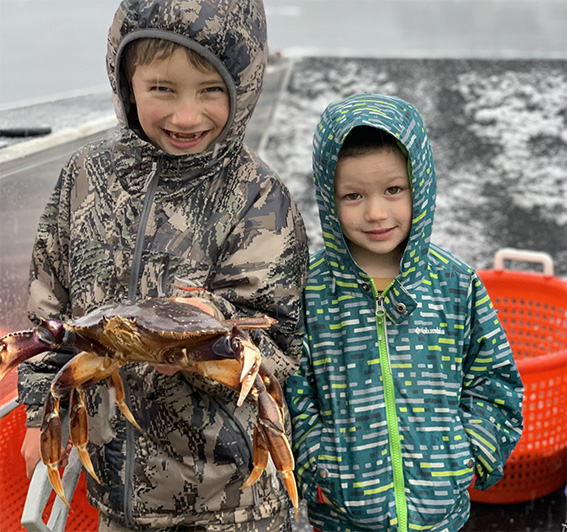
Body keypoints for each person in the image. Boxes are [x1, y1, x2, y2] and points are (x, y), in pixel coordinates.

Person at [18, 0, 309, 530]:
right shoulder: (87, 181)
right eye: (162, 89)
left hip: (234, 506)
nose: (186, 116)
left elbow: (282, 341)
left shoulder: (260, 199)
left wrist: (208, 325)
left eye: (210, 90)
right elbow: (49, 315)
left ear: (242, 88)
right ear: (127, 80)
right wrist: (41, 417)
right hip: (116, 499)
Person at [285, 93, 524, 532]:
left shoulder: (456, 283)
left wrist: (471, 453)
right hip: (341, 518)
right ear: (327, 195)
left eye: (394, 190)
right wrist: (314, 461)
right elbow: (291, 387)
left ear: (421, 187)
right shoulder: (311, 290)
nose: (376, 213)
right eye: (353, 195)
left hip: (441, 517)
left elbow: (494, 379)